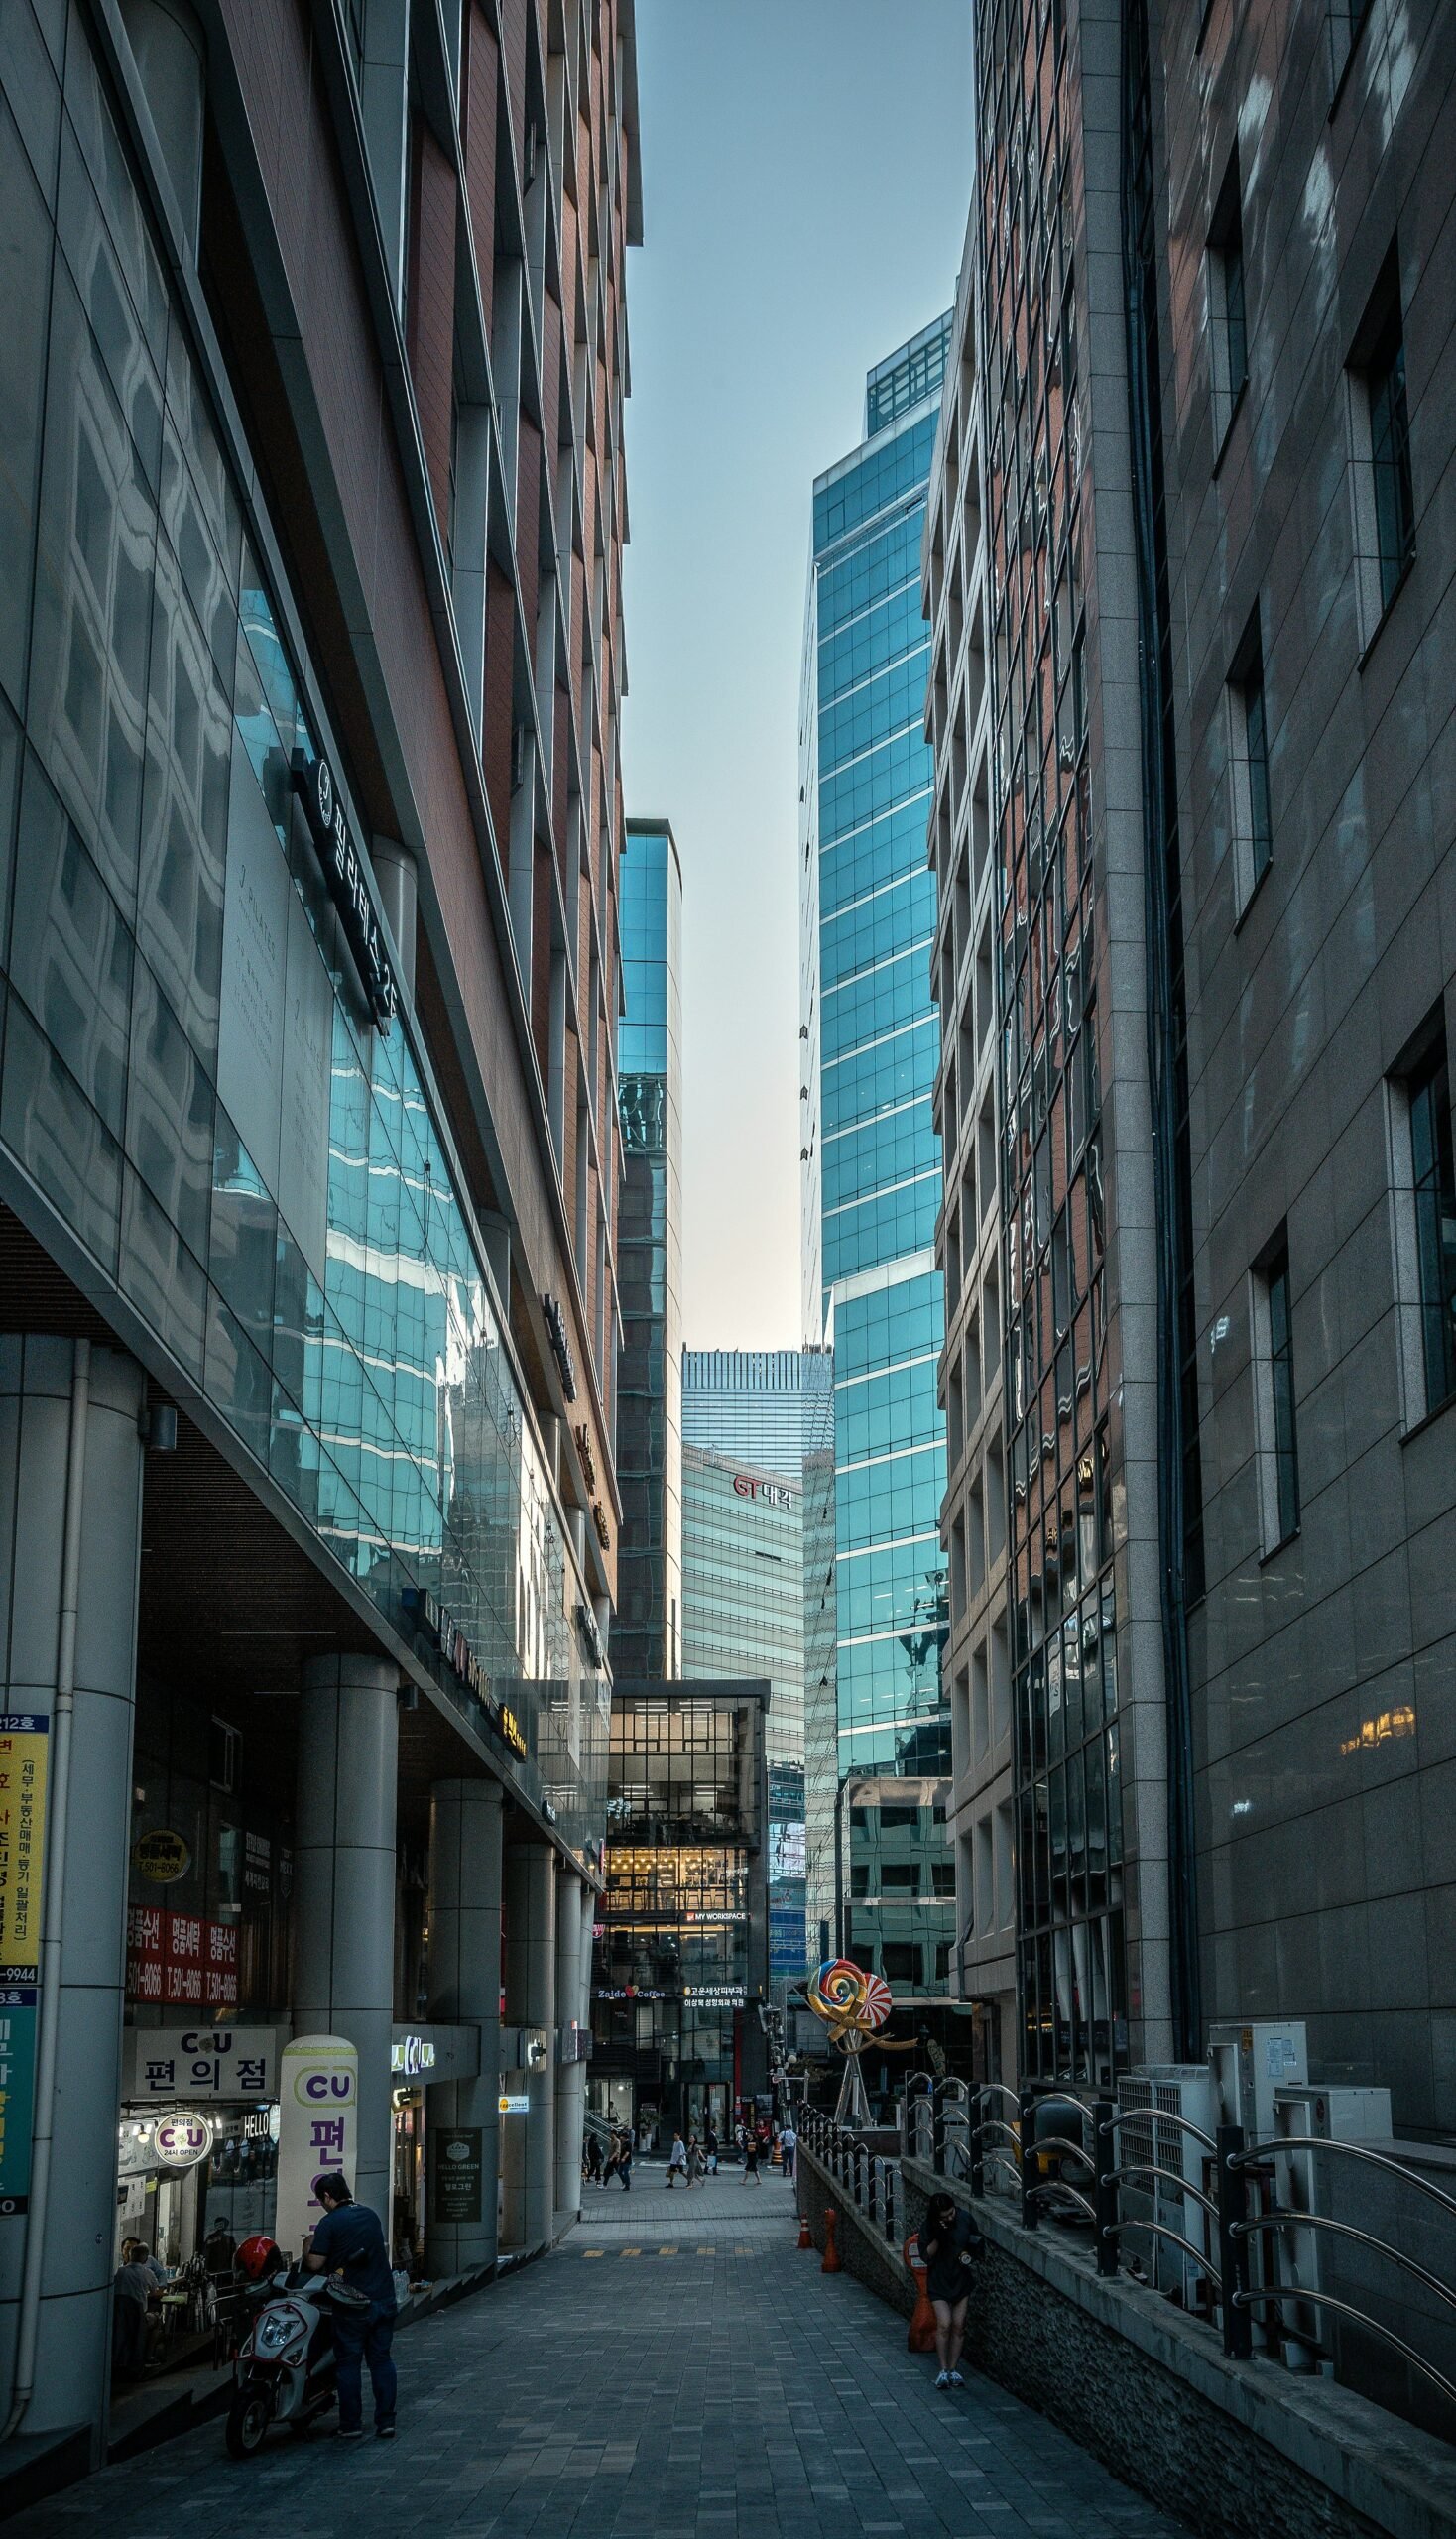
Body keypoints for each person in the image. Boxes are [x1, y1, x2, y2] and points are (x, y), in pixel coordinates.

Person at [304, 2172, 399, 2440]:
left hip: (351, 2305)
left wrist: (307, 2246)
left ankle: (351, 2424)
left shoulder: (329, 2222)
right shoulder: (370, 2215)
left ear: (327, 2197)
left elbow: (314, 2264)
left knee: (348, 2364)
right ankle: (386, 2422)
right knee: (381, 2360)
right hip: (382, 2298)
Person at [917, 2191, 985, 2390]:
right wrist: (939, 2236)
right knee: (944, 2324)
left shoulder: (964, 2218)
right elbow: (925, 2256)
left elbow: (976, 2241)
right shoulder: (929, 2225)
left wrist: (971, 2254)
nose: (950, 2218)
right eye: (945, 2215)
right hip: (939, 2279)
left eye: (951, 2213)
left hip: (961, 2278)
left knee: (959, 2325)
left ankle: (954, 2369)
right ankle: (943, 2370)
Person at [112, 2240, 158, 2377]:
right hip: (138, 2317)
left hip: (117, 2316)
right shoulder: (147, 2273)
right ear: (144, 2258)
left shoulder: (119, 2272)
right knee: (156, 2319)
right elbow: (155, 2291)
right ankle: (148, 2357)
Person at [202, 2214, 236, 2278]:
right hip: (214, 2271)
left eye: (222, 2224)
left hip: (225, 2271)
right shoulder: (211, 2238)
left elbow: (233, 2255)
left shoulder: (229, 2239)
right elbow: (206, 2254)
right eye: (219, 2224)